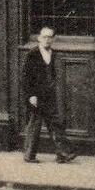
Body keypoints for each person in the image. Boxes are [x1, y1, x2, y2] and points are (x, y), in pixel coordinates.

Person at [21, 26, 76, 164]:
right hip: (36, 96)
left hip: (49, 95)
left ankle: (63, 153)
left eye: (50, 37)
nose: (47, 40)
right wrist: (31, 95)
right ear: (39, 38)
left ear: (53, 39)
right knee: (35, 125)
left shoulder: (53, 53)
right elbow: (26, 77)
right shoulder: (32, 54)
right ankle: (29, 155)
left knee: (55, 123)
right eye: (45, 37)